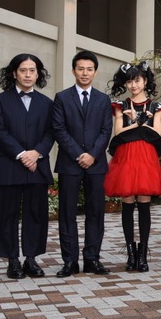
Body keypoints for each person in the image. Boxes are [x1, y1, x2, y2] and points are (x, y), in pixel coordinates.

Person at [0, 54, 55, 279]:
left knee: (36, 215)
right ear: (14, 73)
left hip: (37, 166)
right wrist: (22, 155)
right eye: (23, 70)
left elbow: (51, 132)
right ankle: (12, 260)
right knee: (7, 215)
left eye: (32, 70)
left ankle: (31, 259)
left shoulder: (46, 103)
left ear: (38, 74)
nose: (28, 74)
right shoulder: (0, 100)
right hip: (9, 166)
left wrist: (36, 153)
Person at [52, 51, 114, 276]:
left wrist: (93, 155)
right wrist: (80, 154)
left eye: (89, 69)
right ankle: (70, 262)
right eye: (80, 68)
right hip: (70, 163)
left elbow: (106, 130)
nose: (85, 73)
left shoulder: (103, 99)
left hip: (96, 165)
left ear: (95, 72)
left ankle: (92, 259)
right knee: (67, 213)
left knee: (95, 212)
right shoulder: (62, 98)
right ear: (73, 71)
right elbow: (59, 129)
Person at [104, 62, 161, 272]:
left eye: (137, 80)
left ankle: (143, 253)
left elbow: (156, 133)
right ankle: (130, 253)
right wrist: (140, 123)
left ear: (145, 81)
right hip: (126, 156)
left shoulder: (156, 106)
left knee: (144, 204)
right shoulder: (120, 106)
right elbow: (118, 133)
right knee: (127, 203)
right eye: (129, 81)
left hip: (146, 156)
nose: (133, 85)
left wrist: (135, 123)